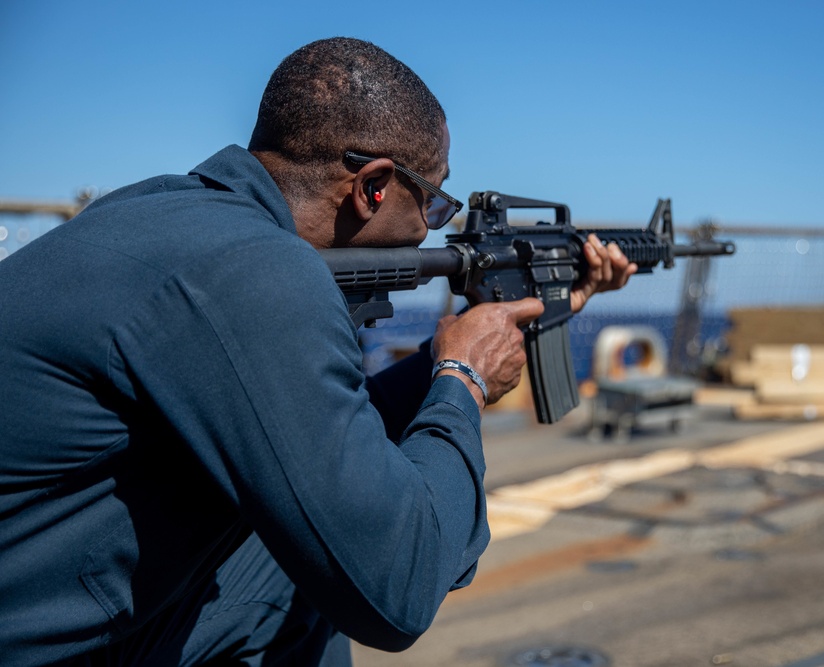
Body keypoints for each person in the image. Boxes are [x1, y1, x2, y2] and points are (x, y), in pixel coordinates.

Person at [0, 37, 636, 666]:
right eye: (435, 202)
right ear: (374, 187)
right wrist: (462, 378)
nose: (432, 228)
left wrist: (488, 336)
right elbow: (397, 588)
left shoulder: (162, 212)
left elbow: (323, 432)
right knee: (316, 585)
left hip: (49, 593)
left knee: (289, 565)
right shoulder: (256, 272)